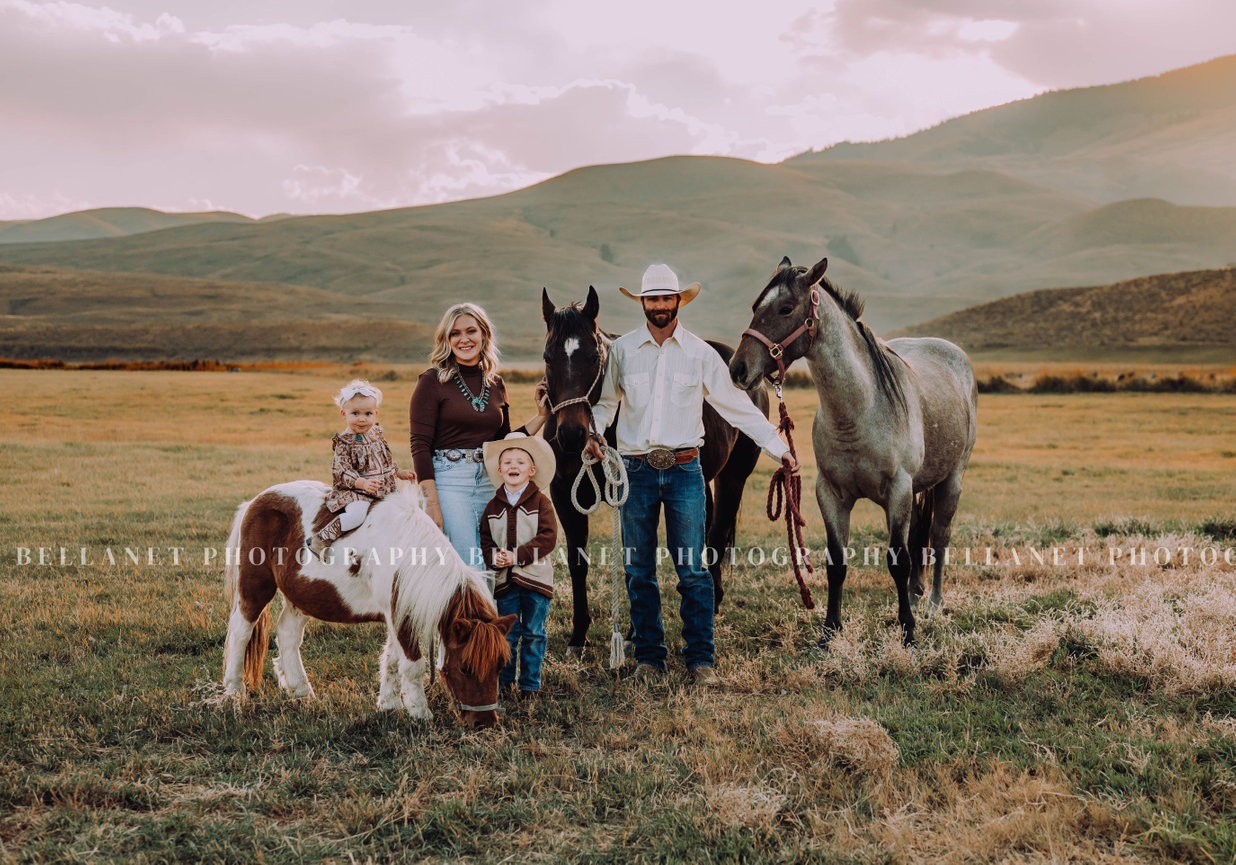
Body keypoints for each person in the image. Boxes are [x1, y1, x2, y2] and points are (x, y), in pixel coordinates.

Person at [585, 263, 799, 685]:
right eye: (652, 299)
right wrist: (593, 432)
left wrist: (779, 449)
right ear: (642, 303)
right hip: (635, 470)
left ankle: (701, 659)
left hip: (685, 469)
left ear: (678, 301)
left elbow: (736, 407)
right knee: (638, 569)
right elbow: (607, 404)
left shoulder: (700, 353)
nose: (660, 306)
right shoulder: (622, 352)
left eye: (667, 298)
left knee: (693, 570)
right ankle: (650, 658)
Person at [409, 303, 549, 581]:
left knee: (493, 561)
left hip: (488, 480)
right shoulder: (431, 381)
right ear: (446, 340)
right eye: (455, 333)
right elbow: (419, 445)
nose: (464, 339)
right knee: (469, 563)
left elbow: (502, 444)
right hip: (450, 482)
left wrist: (541, 416)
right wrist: (432, 502)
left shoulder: (495, 383)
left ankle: (490, 611)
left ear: (484, 334)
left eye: (471, 331)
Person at [479, 432, 558, 699]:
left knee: (534, 633)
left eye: (521, 462)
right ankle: (504, 683)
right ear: (499, 470)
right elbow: (486, 540)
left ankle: (530, 686)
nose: (514, 466)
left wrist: (517, 556)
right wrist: (494, 557)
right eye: (508, 462)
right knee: (508, 634)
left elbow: (548, 538)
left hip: (536, 579)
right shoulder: (492, 507)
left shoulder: (541, 502)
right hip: (505, 582)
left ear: (531, 470)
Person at [307, 380, 416, 559]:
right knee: (356, 516)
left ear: (375, 413)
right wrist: (362, 483)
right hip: (356, 492)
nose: (362, 419)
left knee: (403, 512)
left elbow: (384, 459)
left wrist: (399, 472)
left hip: (383, 488)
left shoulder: (376, 434)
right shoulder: (344, 442)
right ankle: (322, 539)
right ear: (344, 413)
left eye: (368, 413)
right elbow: (342, 471)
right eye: (355, 413)